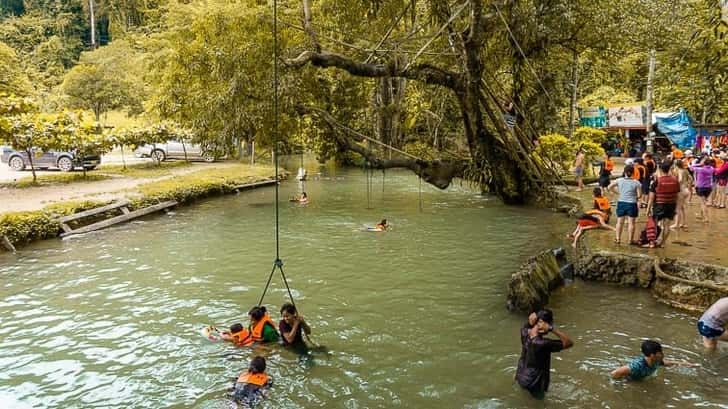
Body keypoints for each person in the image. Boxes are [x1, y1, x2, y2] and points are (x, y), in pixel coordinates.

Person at [515, 309, 574, 400]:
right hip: (534, 382)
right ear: (544, 323)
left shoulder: (524, 331)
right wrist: (551, 329)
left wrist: (531, 322)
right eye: (550, 323)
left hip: (520, 376)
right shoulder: (543, 344)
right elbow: (569, 343)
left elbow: (528, 325)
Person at [610, 340, 698, 381]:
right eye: (660, 352)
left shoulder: (656, 360)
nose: (662, 354)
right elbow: (615, 373)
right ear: (652, 355)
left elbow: (668, 363)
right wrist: (618, 385)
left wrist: (687, 364)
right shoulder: (637, 365)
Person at [645, 160, 680, 248]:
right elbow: (677, 195)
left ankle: (652, 242)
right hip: (671, 205)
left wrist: (648, 209)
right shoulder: (675, 181)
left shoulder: (657, 181)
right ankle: (663, 243)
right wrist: (677, 208)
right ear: (669, 169)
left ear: (660, 170)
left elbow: (651, 198)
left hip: (659, 205)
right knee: (667, 225)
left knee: (654, 224)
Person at [608, 165, 642, 244]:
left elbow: (609, 187)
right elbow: (639, 195)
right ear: (633, 173)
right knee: (631, 223)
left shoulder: (619, 180)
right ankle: (630, 240)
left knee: (619, 222)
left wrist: (618, 192)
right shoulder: (636, 182)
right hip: (632, 203)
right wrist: (635, 196)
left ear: (625, 172)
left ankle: (618, 239)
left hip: (621, 203)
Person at [690, 156, 715, 223]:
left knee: (703, 203)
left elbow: (691, 167)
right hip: (708, 188)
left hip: (701, 188)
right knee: (703, 202)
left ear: (704, 163)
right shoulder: (712, 168)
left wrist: (699, 164)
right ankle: (702, 215)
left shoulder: (700, 169)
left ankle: (706, 218)